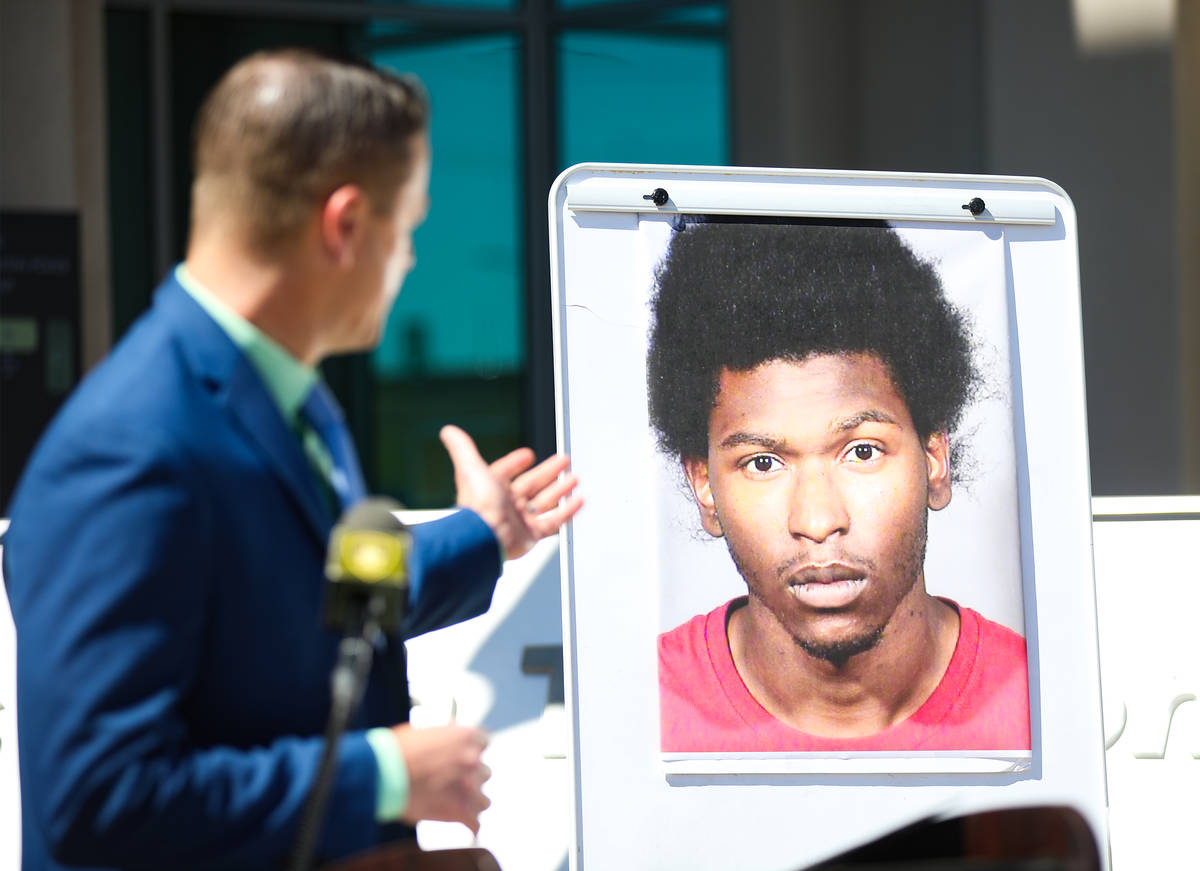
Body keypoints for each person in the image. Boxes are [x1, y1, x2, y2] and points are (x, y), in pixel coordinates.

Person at [3, 49, 581, 870]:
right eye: (408, 225)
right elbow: (96, 799)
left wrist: (482, 533)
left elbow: (323, 596)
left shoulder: (291, 398)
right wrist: (383, 774)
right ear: (345, 225)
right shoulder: (127, 448)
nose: (411, 258)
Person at [647, 220, 1029, 754]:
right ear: (705, 486)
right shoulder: (639, 710)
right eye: (762, 463)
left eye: (862, 452)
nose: (819, 519)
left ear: (935, 459)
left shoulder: (1044, 700)